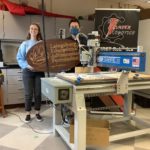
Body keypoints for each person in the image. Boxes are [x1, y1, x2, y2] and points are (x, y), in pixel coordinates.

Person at [16, 23, 45, 123]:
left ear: (38, 31)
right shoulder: (25, 44)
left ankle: (37, 112)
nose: (33, 30)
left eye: (35, 29)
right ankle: (28, 113)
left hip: (39, 72)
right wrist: (28, 66)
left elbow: (46, 58)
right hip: (27, 71)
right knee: (28, 94)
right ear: (29, 30)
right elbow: (19, 58)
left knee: (37, 94)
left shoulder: (42, 43)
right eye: (31, 28)